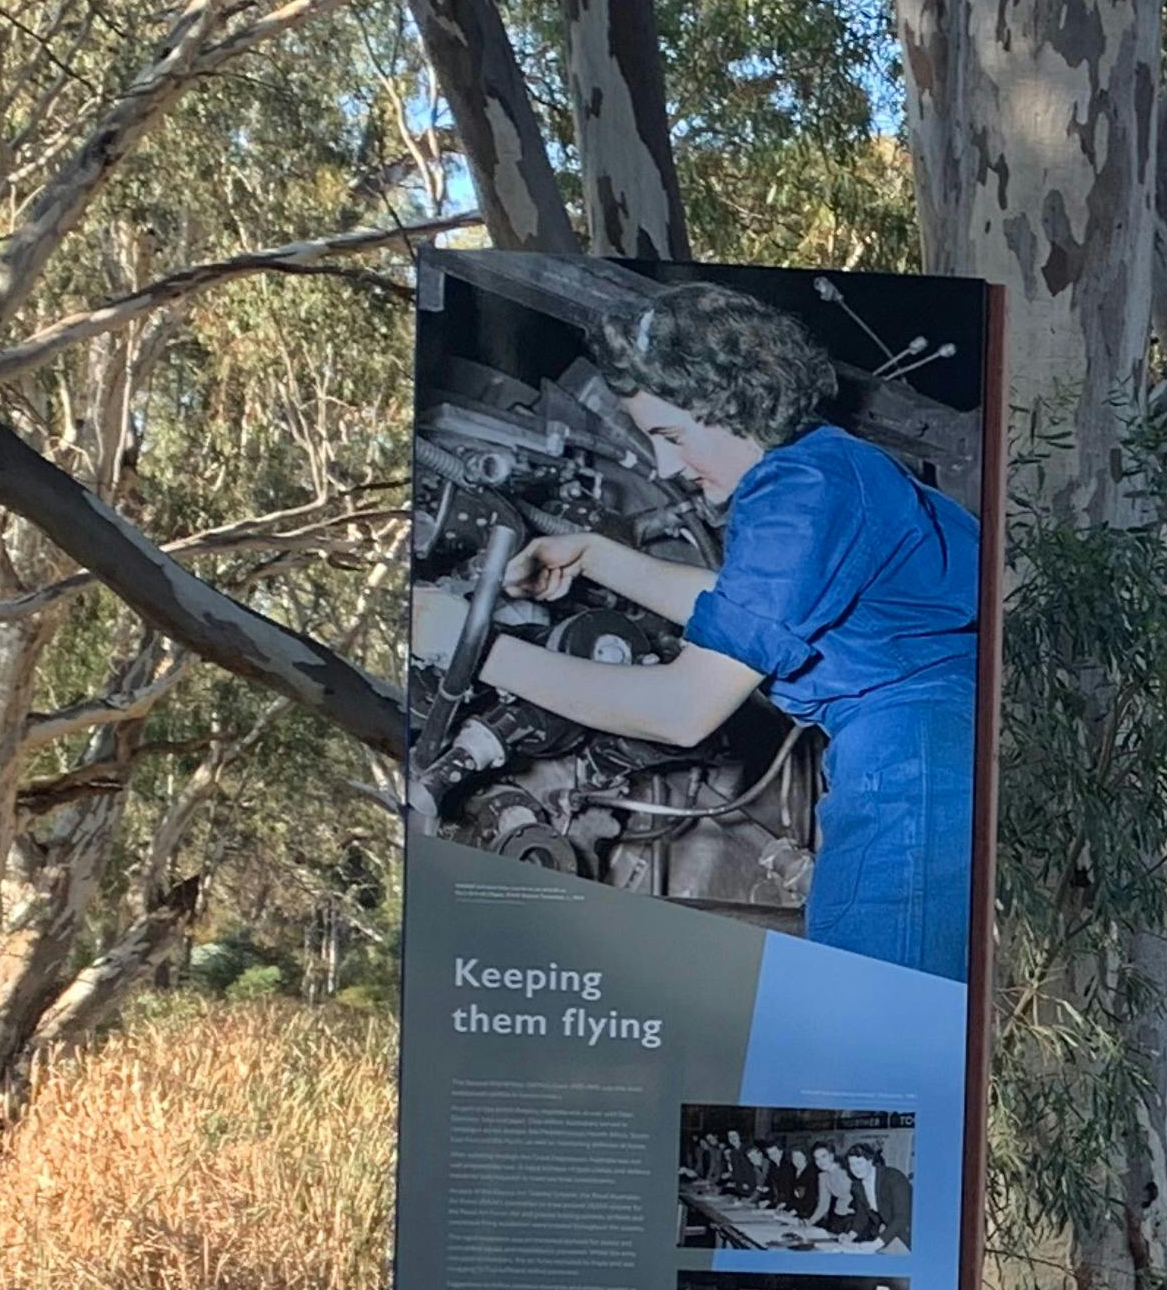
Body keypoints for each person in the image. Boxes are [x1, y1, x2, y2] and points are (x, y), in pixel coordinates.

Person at [410, 284, 980, 981]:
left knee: (877, 1015)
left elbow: (684, 709)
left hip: (911, 759)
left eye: (671, 436)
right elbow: (745, 612)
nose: (666, 467)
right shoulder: (821, 468)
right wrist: (595, 556)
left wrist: (479, 651)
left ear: (734, 402)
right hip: (920, 742)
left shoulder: (800, 494)